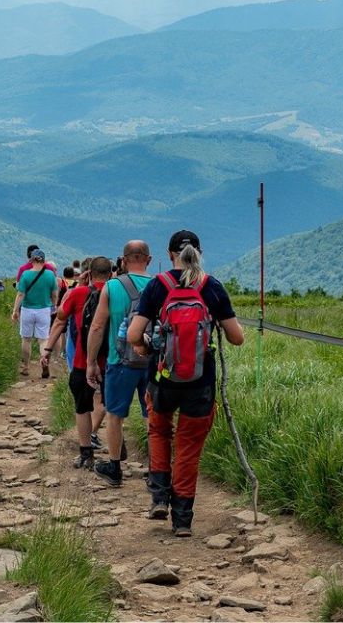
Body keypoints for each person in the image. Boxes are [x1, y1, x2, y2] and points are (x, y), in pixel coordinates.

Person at [126, 229, 244, 537]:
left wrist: (142, 347)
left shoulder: (158, 286)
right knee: (189, 447)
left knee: (159, 430)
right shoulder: (211, 287)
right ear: (200, 253)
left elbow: (133, 334)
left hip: (161, 378)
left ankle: (159, 498)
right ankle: (182, 520)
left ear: (169, 255)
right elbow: (237, 338)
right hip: (200, 382)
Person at [86, 240, 154, 488]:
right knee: (153, 416)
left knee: (115, 415)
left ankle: (114, 468)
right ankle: (156, 471)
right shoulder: (161, 286)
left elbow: (97, 326)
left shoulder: (112, 287)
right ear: (148, 259)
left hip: (119, 361)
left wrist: (91, 362)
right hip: (153, 362)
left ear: (123, 261)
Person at [43, 256, 112, 468]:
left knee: (82, 407)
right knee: (108, 405)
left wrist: (79, 285)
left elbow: (61, 314)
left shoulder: (80, 293)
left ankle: (85, 453)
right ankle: (116, 454)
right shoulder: (116, 293)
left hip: (83, 362)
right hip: (111, 362)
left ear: (89, 273)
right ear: (110, 274)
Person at [11, 250, 58, 377]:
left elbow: (20, 294)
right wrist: (54, 306)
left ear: (31, 260)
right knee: (43, 340)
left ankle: (25, 367)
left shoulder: (25, 275)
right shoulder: (50, 275)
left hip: (27, 309)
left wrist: (15, 310)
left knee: (26, 339)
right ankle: (44, 363)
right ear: (44, 260)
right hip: (44, 310)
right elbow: (54, 294)